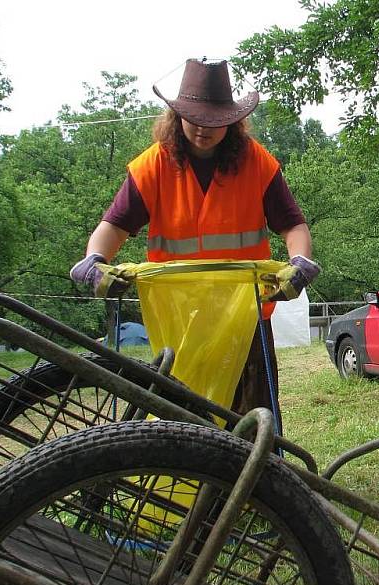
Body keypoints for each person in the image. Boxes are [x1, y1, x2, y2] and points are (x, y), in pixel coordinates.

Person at [70, 58, 320, 417]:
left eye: (214, 121)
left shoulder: (256, 162)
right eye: (194, 118)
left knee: (254, 413)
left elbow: (293, 225)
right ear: (177, 115)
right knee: (183, 411)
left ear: (231, 121)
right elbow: (114, 224)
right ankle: (191, 470)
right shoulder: (153, 165)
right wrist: (94, 261)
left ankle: (260, 474)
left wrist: (299, 263)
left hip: (244, 315)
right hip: (180, 316)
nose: (203, 128)